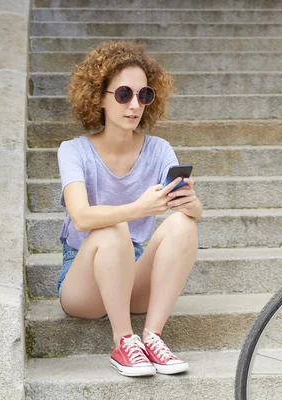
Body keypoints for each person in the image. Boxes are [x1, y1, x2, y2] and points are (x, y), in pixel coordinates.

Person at [56, 41, 202, 377]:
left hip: (132, 275)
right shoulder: (73, 151)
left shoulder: (159, 149)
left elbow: (189, 211)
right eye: (123, 94)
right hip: (84, 283)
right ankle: (123, 342)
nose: (134, 105)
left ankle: (151, 338)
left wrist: (193, 206)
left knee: (183, 224)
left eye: (143, 95)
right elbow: (80, 217)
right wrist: (137, 208)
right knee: (113, 225)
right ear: (99, 97)